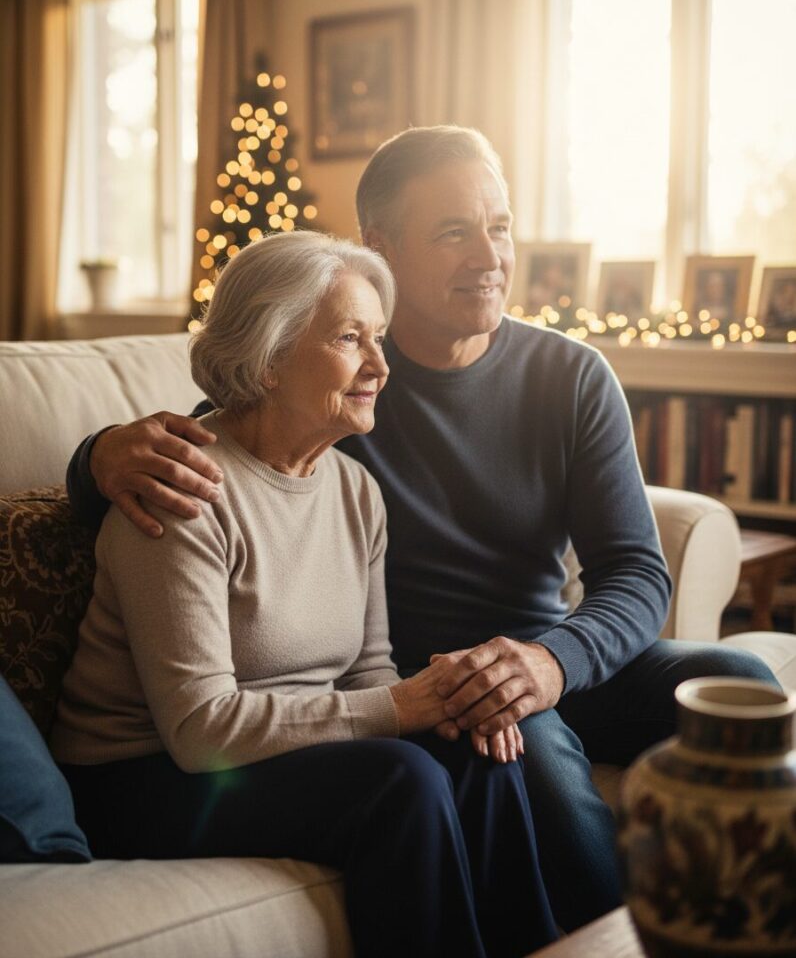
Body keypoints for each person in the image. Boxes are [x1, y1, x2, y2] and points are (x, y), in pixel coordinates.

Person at [66, 126, 779, 932]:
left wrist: (553, 661)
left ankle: (749, 928)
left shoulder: (567, 376)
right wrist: (95, 459)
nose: (490, 256)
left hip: (541, 654)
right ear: (381, 245)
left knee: (735, 682)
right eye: (453, 232)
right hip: (430, 676)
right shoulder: (332, 382)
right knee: (521, 752)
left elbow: (638, 573)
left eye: (499, 227)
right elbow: (227, 451)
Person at [52, 231, 557, 958]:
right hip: (141, 776)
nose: (380, 365)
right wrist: (404, 707)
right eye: (351, 338)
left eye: (378, 337)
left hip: (280, 752)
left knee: (480, 754)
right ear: (268, 357)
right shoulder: (181, 489)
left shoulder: (356, 490)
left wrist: (451, 707)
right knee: (403, 781)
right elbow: (201, 729)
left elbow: (368, 671)